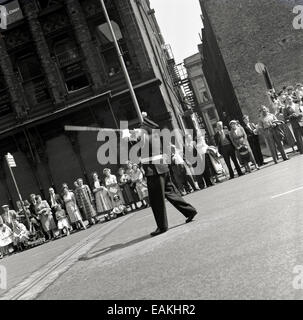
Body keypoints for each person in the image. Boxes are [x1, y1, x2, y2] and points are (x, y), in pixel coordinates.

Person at [126, 117, 198, 237]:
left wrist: (126, 134)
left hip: (153, 171)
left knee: (156, 200)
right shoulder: (154, 136)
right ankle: (190, 211)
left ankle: (162, 226)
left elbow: (134, 146)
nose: (140, 129)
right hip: (162, 168)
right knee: (171, 193)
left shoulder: (145, 137)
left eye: (141, 127)